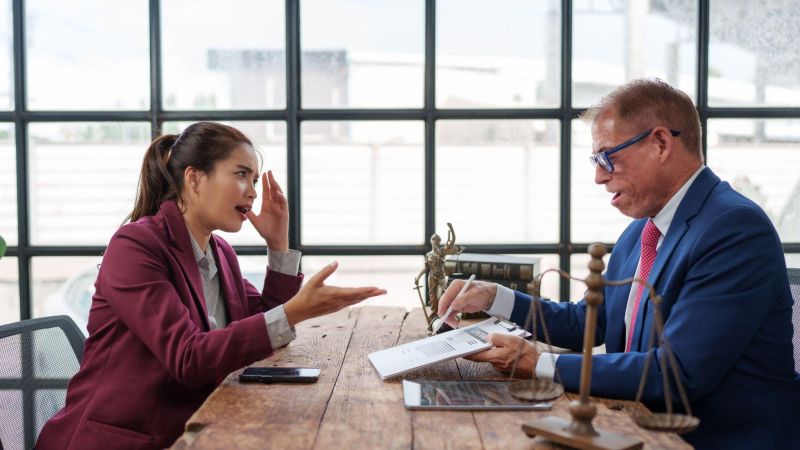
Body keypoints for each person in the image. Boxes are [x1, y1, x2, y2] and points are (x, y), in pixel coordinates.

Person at [438, 79, 800, 449]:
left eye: (607, 156)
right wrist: (495, 297)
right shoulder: (643, 231)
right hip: (639, 426)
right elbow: (589, 323)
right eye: (595, 161)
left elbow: (678, 372)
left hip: (715, 440)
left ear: (660, 143)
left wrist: (540, 364)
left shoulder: (734, 229)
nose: (599, 176)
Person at [36, 122, 386, 450]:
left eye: (254, 179)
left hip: (196, 429)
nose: (252, 192)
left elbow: (262, 333)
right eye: (241, 175)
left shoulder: (220, 252)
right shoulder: (135, 247)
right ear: (195, 178)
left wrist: (278, 246)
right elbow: (188, 358)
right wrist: (294, 311)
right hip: (124, 440)